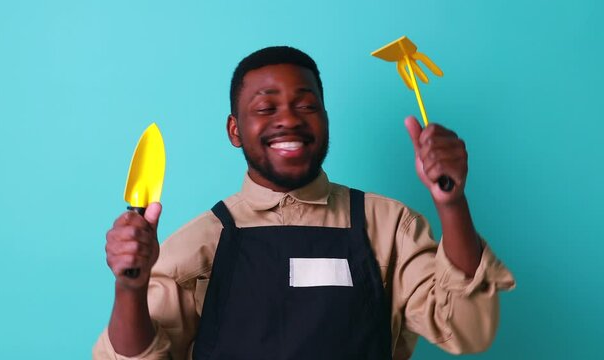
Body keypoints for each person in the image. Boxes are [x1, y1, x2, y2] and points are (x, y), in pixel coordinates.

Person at [93, 46, 515, 360]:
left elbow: (468, 330)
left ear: (326, 120)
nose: (290, 119)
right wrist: (130, 287)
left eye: (307, 105)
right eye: (266, 107)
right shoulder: (198, 244)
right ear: (235, 130)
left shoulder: (389, 226)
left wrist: (452, 203)